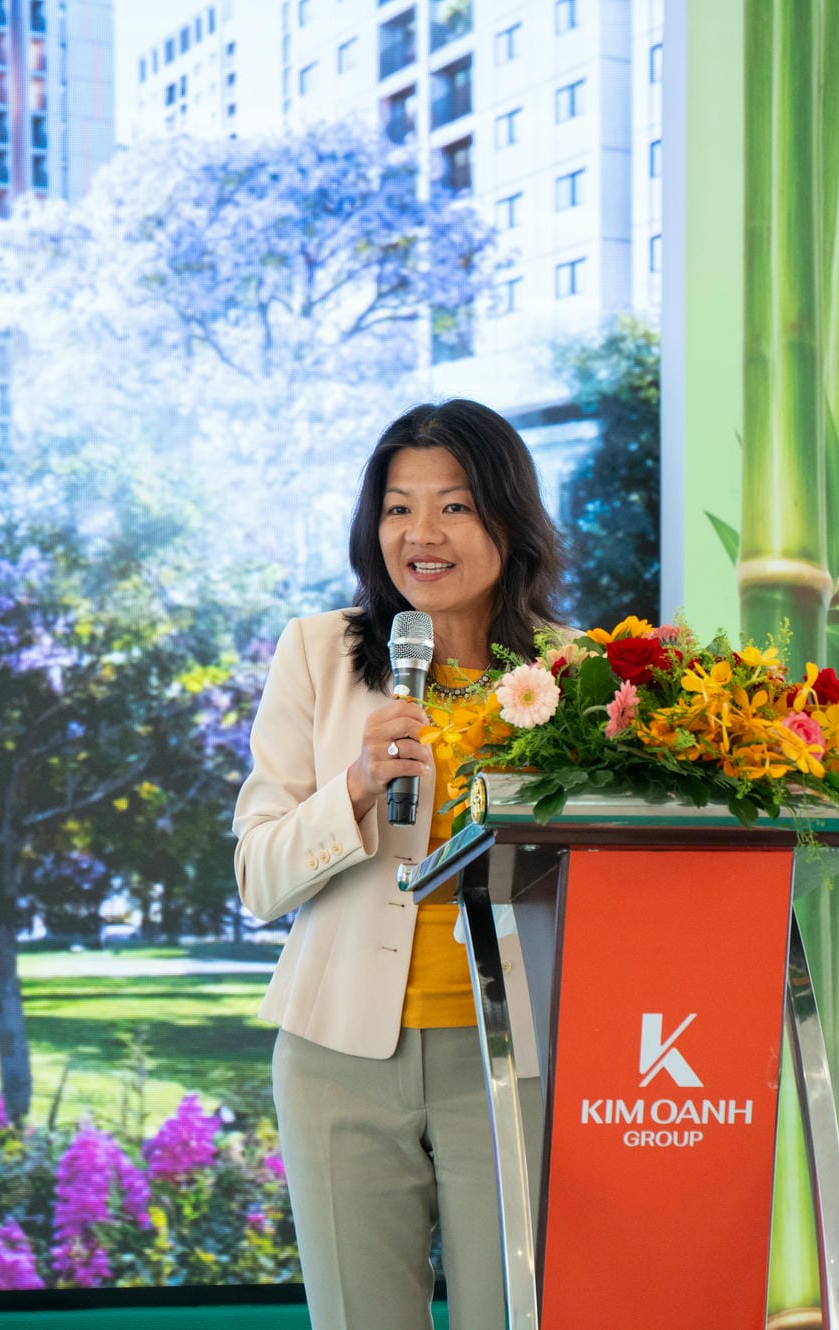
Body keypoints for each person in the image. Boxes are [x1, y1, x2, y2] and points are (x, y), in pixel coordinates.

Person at [233, 399, 565, 1330]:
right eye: (397, 507)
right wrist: (355, 787)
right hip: (339, 1057)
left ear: (509, 519)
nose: (421, 534)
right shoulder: (318, 653)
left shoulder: (576, 675)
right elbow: (259, 877)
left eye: (454, 506)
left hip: (512, 1056)